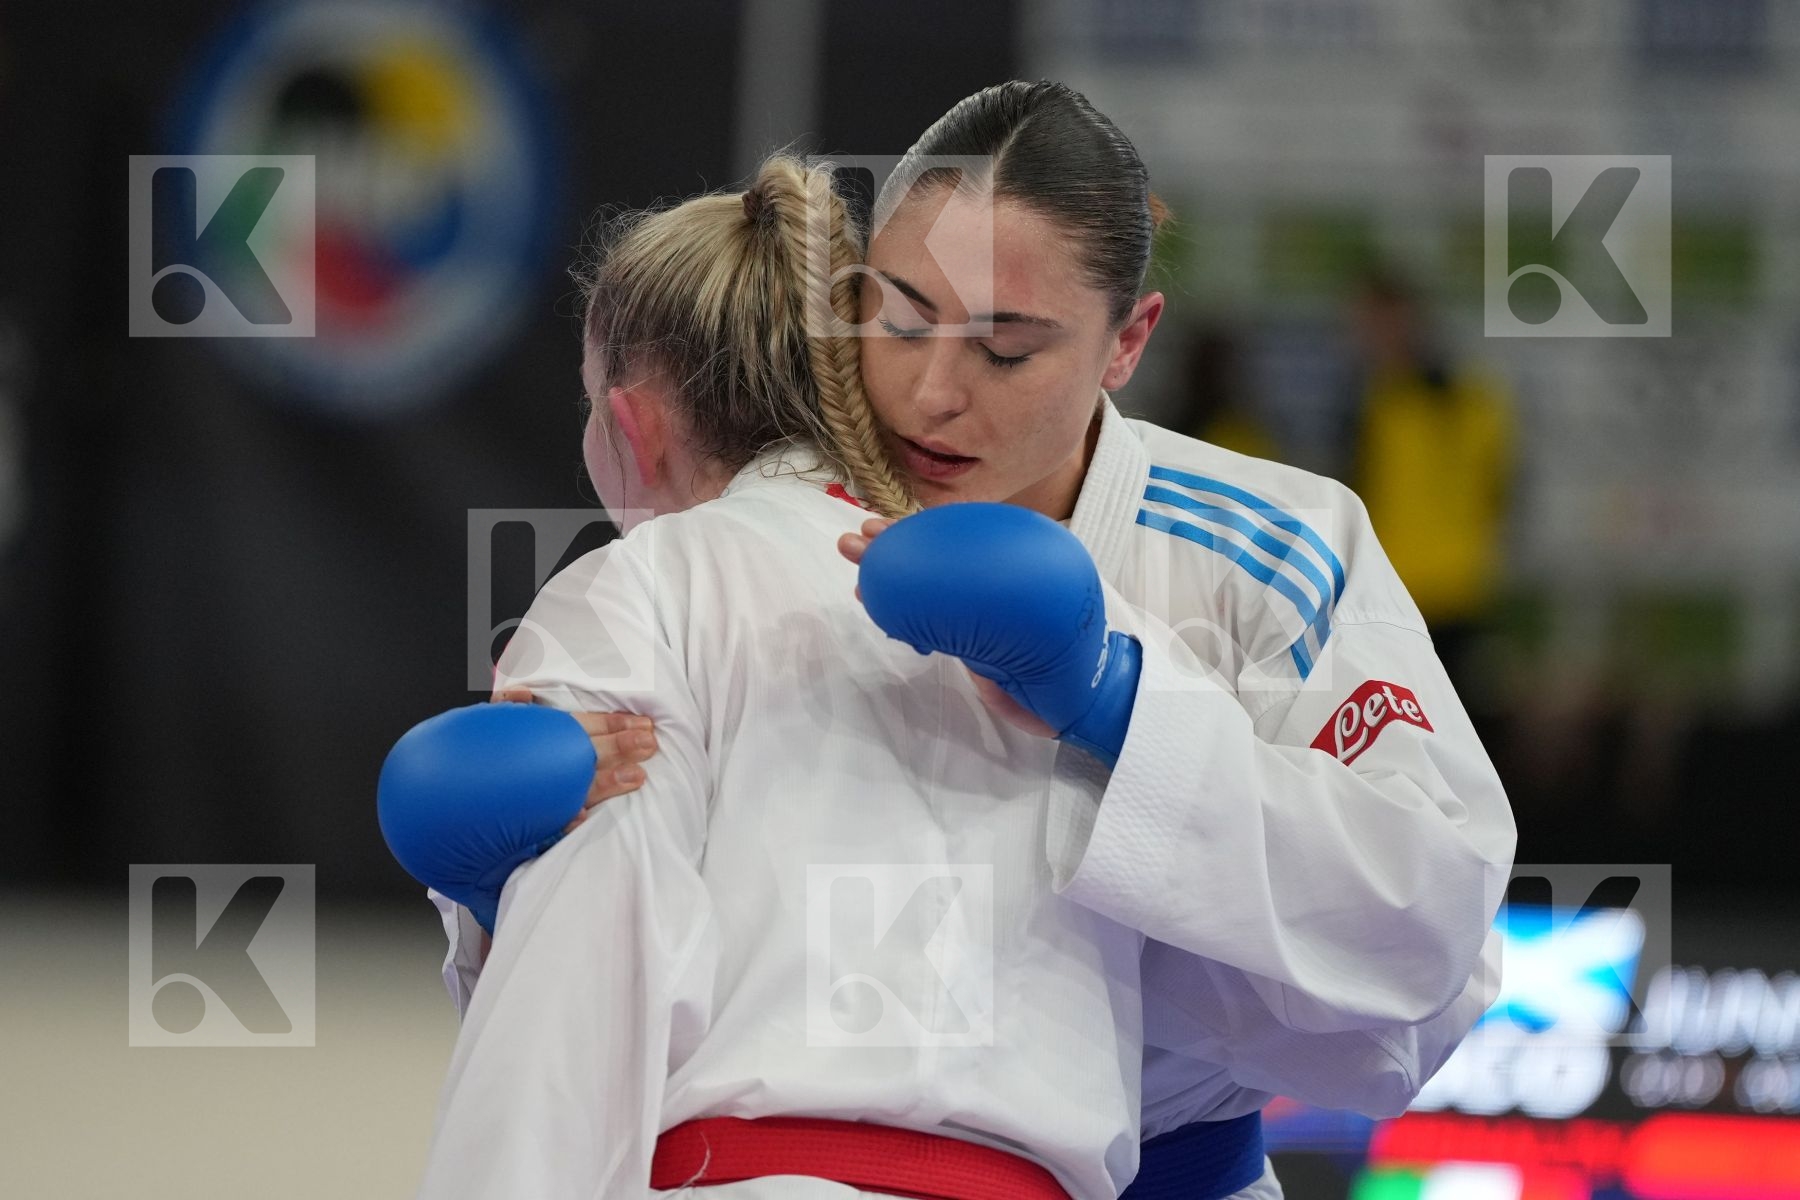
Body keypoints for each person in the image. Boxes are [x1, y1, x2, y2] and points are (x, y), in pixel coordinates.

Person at [416, 82, 1516, 1198]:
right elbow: (595, 1008)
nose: (934, 393)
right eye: (897, 320)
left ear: (1127, 342)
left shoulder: (1266, 550)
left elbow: (1432, 946)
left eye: (1005, 352)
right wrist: (503, 899)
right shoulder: (760, 547)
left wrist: (1120, 705)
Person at [391, 154, 1151, 1200]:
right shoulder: (1061, 622)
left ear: (629, 424)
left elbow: (563, 1037)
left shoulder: (639, 592)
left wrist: (502, 918)